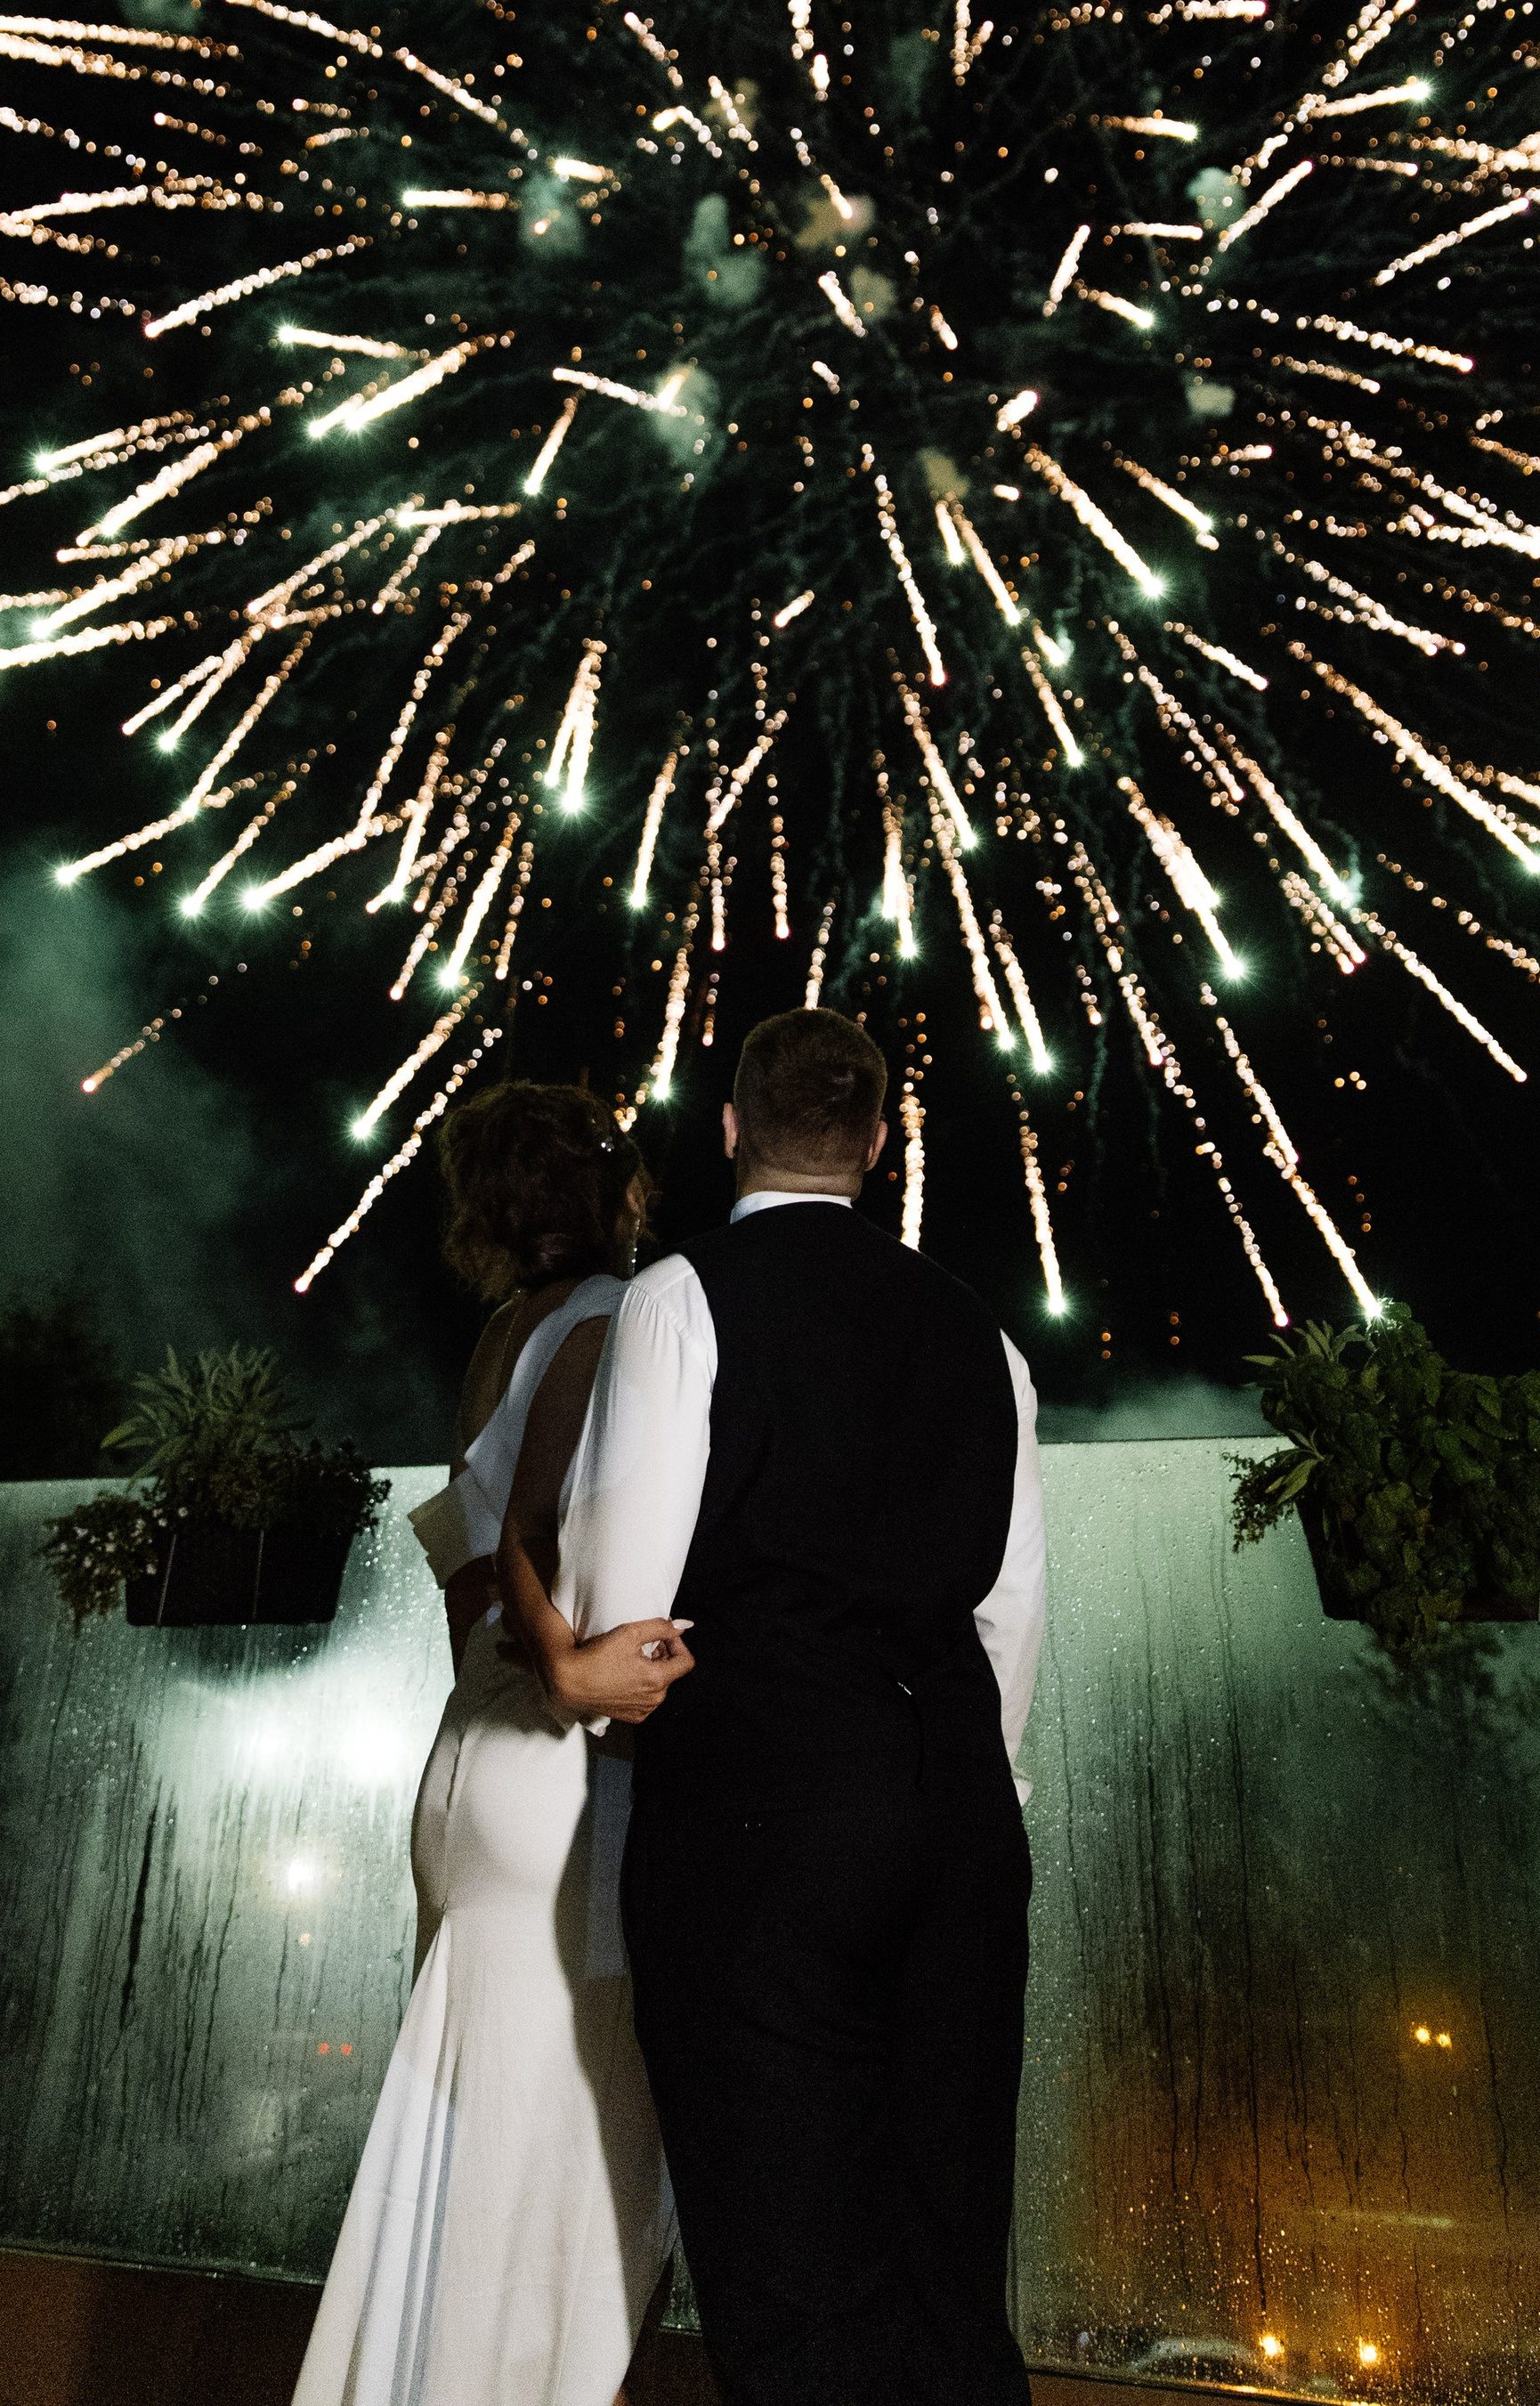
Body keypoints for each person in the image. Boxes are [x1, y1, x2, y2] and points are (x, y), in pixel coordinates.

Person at [505, 1009, 1046, 2406]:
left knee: (789, 2258)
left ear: (731, 1130)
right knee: (947, 2247)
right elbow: (1009, 1614)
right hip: (962, 1816)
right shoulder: (983, 1332)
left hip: (767, 1807)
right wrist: (967, 1794)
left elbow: (636, 1616)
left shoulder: (683, 1296)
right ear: (876, 1144)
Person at [294, 1081, 694, 2406]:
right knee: (570, 2150)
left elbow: (466, 1560)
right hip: (557, 1767)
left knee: (462, 2125)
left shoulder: (498, 1337)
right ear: (610, 1181)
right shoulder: (611, 1321)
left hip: (465, 1763)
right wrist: (578, 1666)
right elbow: (534, 1546)